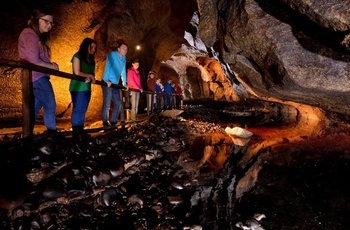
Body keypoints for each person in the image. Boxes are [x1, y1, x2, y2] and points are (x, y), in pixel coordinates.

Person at [18, 8, 59, 134]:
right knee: (50, 105)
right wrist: (52, 66)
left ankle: (27, 135)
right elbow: (34, 60)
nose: (49, 25)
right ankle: (52, 133)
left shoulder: (35, 36)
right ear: (37, 19)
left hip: (34, 77)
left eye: (51, 23)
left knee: (34, 108)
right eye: (46, 21)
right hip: (37, 77)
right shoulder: (30, 34)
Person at [69, 38, 96, 135]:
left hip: (87, 88)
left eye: (94, 48)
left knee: (83, 109)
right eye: (91, 47)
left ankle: (80, 128)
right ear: (86, 46)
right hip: (77, 87)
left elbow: (92, 74)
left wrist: (91, 77)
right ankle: (76, 130)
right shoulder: (78, 56)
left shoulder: (92, 61)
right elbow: (77, 72)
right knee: (78, 108)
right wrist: (89, 76)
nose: (93, 49)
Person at [101, 41, 129, 127]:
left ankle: (113, 121)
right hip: (107, 81)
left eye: (126, 49)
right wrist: (106, 80)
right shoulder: (112, 55)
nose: (125, 50)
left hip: (115, 84)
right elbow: (108, 66)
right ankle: (105, 122)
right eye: (123, 48)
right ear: (118, 49)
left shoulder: (124, 58)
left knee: (118, 103)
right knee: (107, 102)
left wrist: (125, 83)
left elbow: (123, 72)